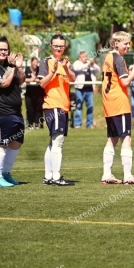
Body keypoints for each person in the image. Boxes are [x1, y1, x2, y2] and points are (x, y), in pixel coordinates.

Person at [101, 31, 134, 185]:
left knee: (112, 138)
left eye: (129, 43)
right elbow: (125, 82)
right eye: (125, 43)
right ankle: (128, 175)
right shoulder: (118, 58)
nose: (128, 46)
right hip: (119, 103)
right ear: (116, 43)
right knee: (126, 137)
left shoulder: (108, 57)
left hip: (109, 102)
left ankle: (106, 174)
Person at [0, 37, 26, 188]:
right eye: (0, 49)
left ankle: (6, 174)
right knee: (1, 144)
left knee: (16, 142)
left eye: (6, 49)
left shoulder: (9, 65)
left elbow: (21, 81)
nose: (3, 52)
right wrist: (12, 66)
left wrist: (19, 67)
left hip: (15, 111)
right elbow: (3, 83)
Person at [38, 34, 76, 186]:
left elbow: (73, 78)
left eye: (61, 46)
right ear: (51, 46)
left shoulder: (66, 62)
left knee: (53, 141)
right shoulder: (46, 61)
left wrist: (65, 67)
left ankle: (48, 176)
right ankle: (56, 177)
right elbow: (42, 83)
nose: (59, 48)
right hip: (53, 105)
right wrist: (52, 71)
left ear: (64, 47)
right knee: (58, 141)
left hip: (63, 106)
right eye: (56, 46)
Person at [72, 50, 101, 129]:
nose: (85, 58)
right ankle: (78, 124)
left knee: (90, 107)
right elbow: (77, 68)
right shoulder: (77, 63)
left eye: (86, 56)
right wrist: (88, 64)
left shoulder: (90, 64)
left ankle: (89, 124)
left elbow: (98, 70)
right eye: (84, 56)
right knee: (79, 106)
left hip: (89, 89)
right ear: (80, 57)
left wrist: (92, 64)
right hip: (80, 89)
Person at [24, 56, 44, 129]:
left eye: (37, 62)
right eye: (34, 62)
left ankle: (37, 124)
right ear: (31, 62)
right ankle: (30, 124)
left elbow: (43, 79)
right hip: (29, 93)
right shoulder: (27, 69)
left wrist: (36, 80)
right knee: (30, 109)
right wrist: (31, 79)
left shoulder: (40, 70)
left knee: (38, 109)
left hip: (39, 92)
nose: (36, 64)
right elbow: (23, 79)